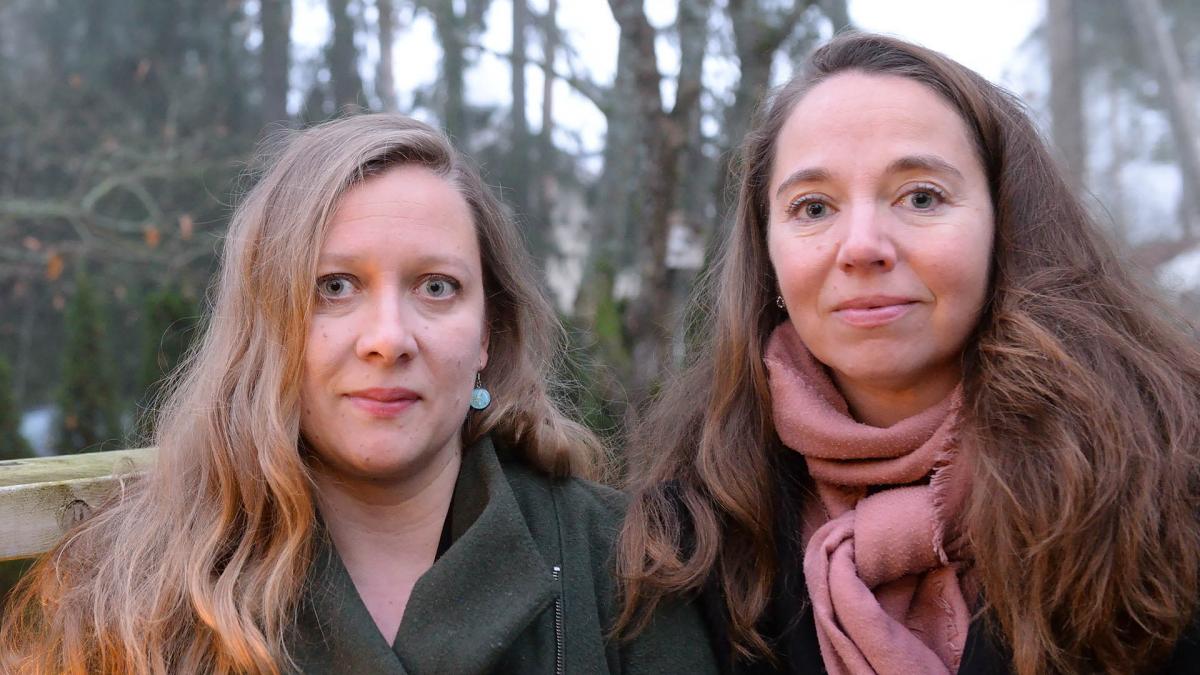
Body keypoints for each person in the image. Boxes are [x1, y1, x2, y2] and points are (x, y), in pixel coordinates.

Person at [1, 114, 717, 674]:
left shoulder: (627, 569)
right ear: (267, 321)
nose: (387, 338)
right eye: (334, 287)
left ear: (488, 334)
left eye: (436, 287)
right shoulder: (129, 593)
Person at [614, 32, 1200, 675]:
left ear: (1005, 227)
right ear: (769, 254)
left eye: (921, 196)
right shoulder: (684, 536)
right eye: (813, 207)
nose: (862, 245)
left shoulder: (1168, 480)